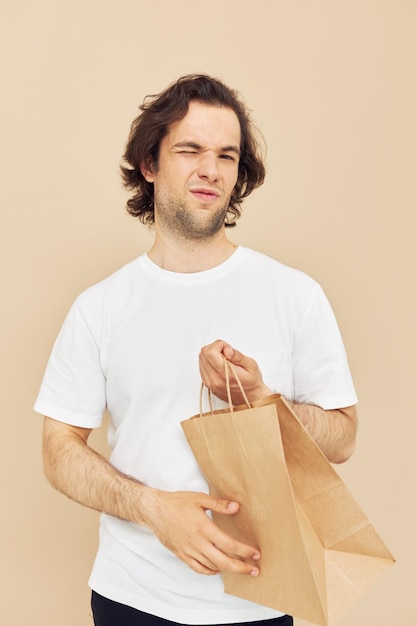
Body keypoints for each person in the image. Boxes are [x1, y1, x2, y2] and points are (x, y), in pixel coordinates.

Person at [34, 74, 358, 626]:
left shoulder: (295, 295)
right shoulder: (101, 306)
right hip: (129, 597)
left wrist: (263, 401)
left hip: (262, 598)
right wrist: (154, 509)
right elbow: (58, 449)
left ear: (239, 175)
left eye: (227, 156)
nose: (211, 169)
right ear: (150, 163)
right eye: (190, 150)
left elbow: (343, 437)